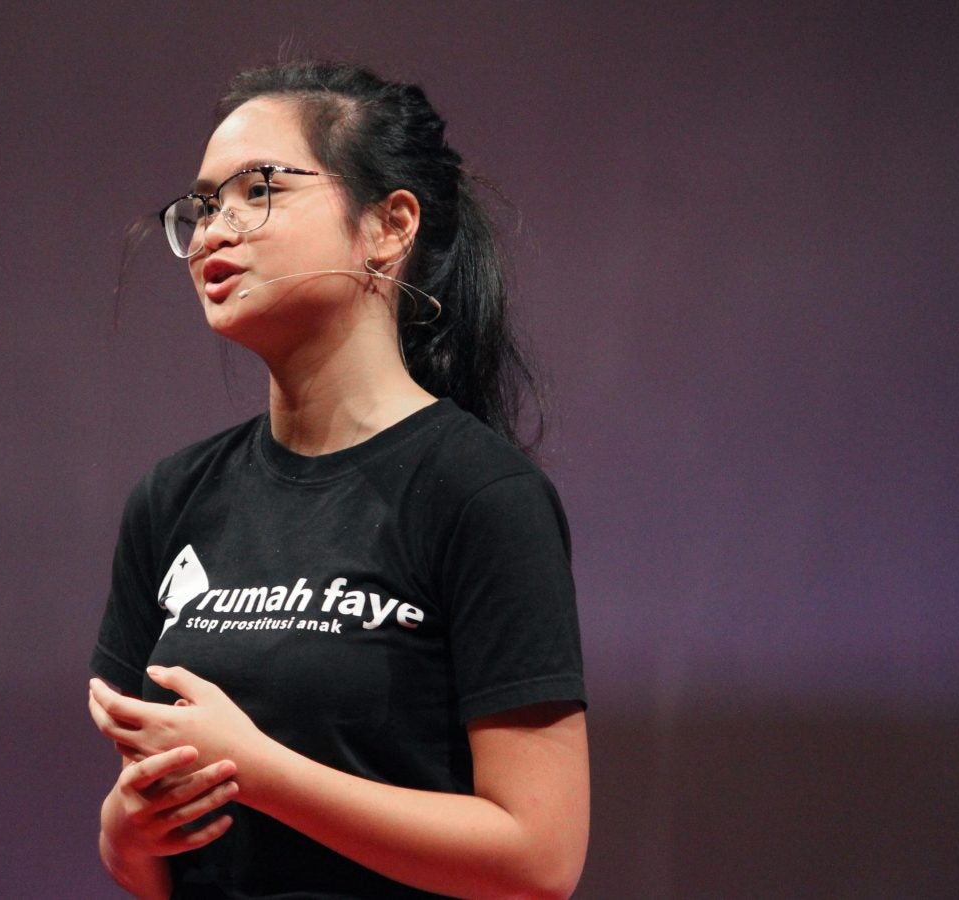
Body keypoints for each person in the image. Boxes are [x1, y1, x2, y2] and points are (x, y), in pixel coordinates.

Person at [87, 59, 588, 900]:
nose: (214, 228)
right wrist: (125, 832)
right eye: (203, 206)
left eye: (257, 190)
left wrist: (260, 771)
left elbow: (537, 858)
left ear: (388, 225)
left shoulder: (478, 496)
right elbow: (157, 863)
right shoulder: (171, 501)